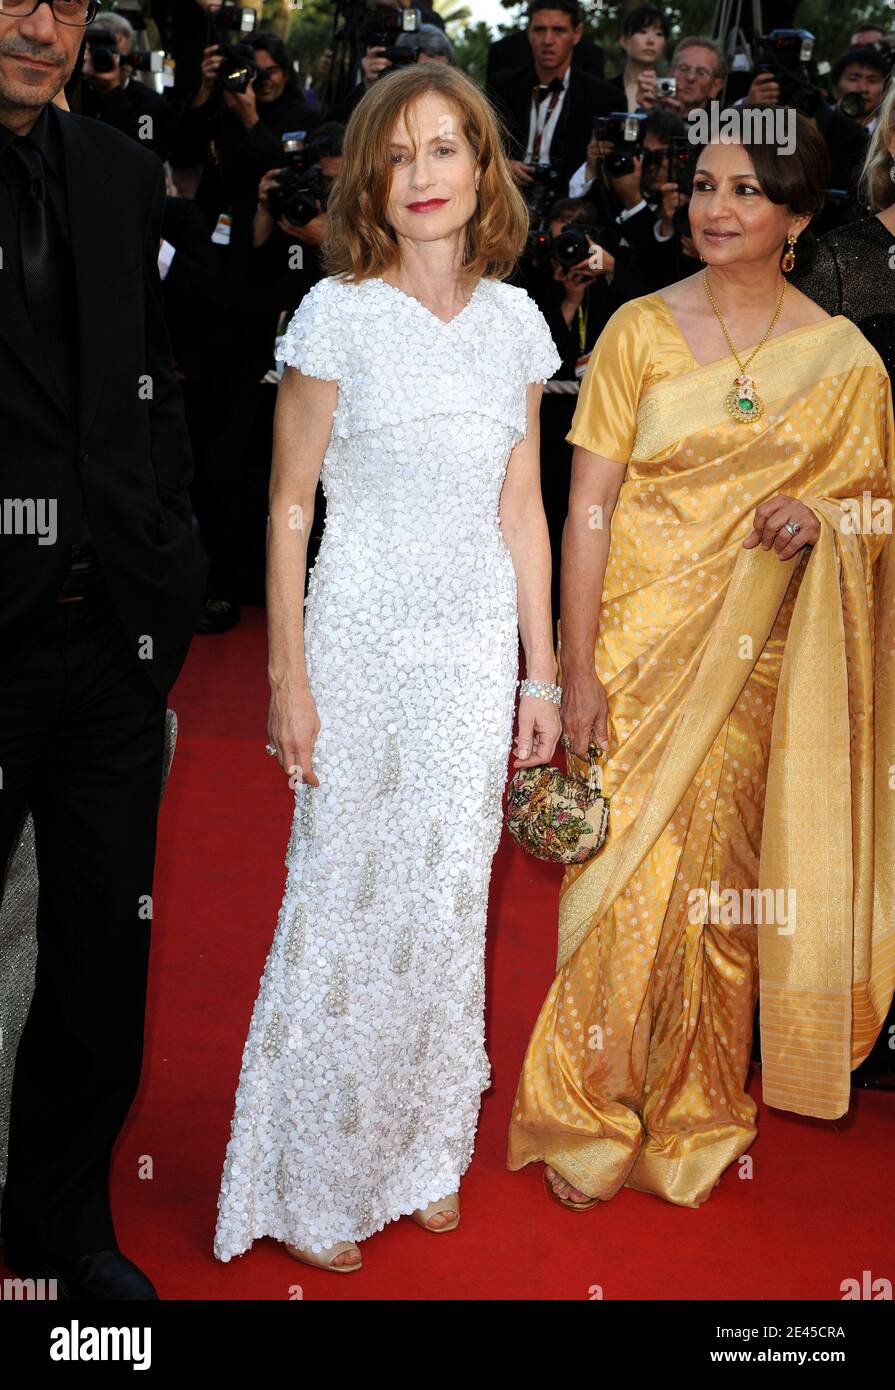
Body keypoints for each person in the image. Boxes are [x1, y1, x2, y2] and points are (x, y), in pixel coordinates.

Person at [506, 114, 895, 1210]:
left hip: (754, 661)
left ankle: (692, 1110)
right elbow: (584, 510)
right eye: (702, 185)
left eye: (746, 191)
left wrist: (818, 515)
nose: (713, 209)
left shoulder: (843, 359)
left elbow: (878, 512)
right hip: (631, 643)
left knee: (718, 900)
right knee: (619, 887)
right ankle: (583, 1111)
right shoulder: (634, 328)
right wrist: (575, 669)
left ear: (798, 218)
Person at [213, 61, 562, 1273]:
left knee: (446, 900)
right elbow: (285, 506)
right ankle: (311, 1169)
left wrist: (544, 674)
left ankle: (417, 1149)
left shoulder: (519, 321)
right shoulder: (336, 314)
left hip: (470, 653)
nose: (423, 176)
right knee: (340, 894)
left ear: (483, 167)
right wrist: (284, 678)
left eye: (446, 150)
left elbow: (526, 512)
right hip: (358, 641)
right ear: (370, 175)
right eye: (399, 154)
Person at [0, 0, 207, 1297]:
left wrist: (169, 553)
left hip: (111, 641)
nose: (38, 22)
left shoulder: (123, 175)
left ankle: (64, 1223)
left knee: (98, 951)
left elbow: (157, 383)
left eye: (65, 0)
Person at [794, 79, 895, 1087]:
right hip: (861, 558)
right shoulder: (842, 258)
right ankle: (851, 1003)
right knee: (861, 770)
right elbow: (799, 422)